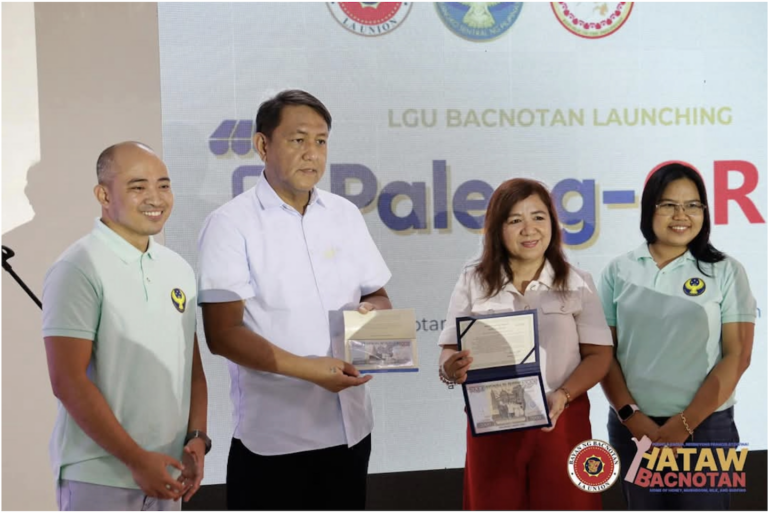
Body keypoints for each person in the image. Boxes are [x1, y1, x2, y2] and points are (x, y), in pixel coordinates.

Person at [196, 90, 392, 510]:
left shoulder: (344, 214)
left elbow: (376, 293)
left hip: (351, 429)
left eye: (321, 141)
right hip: (275, 439)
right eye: (298, 139)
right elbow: (223, 334)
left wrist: (373, 317)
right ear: (263, 145)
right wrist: (310, 370)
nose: (312, 154)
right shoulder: (230, 225)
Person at [42, 142, 209, 511]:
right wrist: (136, 458)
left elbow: (191, 368)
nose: (155, 197)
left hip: (168, 472)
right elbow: (67, 381)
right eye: (138, 187)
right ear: (103, 194)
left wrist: (197, 437)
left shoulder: (177, 267)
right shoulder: (78, 267)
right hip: (101, 478)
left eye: (163, 185)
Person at [437, 178, 613, 510]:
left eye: (538, 217)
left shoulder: (577, 282)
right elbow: (448, 350)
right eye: (515, 220)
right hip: (493, 423)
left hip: (562, 421)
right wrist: (450, 368)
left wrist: (563, 395)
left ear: (553, 223)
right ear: (497, 229)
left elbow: (599, 355)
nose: (529, 229)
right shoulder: (472, 280)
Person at [598, 162, 756, 510]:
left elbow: (738, 355)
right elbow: (603, 354)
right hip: (634, 430)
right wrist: (632, 417)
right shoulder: (618, 271)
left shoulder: (726, 271)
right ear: (649, 209)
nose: (681, 215)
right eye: (668, 204)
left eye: (693, 205)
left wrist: (684, 425)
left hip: (707, 428)